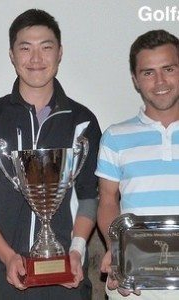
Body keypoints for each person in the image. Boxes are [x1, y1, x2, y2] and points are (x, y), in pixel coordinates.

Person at [0, 8, 101, 300]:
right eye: (25, 48)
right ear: (12, 55)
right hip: (0, 272)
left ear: (60, 53)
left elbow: (90, 194)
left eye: (46, 47)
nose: (36, 59)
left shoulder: (82, 120)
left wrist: (76, 252)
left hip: (67, 274)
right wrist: (8, 255)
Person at [96, 29, 179, 300]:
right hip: (134, 286)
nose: (160, 81)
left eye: (168, 69)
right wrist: (117, 251)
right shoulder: (115, 137)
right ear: (135, 80)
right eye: (148, 72)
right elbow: (108, 202)